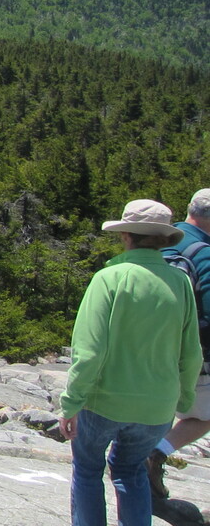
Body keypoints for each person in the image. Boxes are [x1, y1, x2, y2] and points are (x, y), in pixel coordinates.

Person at [59, 199, 200, 526]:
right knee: (130, 470)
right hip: (158, 406)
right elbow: (191, 351)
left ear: (126, 235)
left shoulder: (109, 278)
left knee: (88, 470)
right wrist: (184, 399)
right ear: (163, 239)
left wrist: (71, 403)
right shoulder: (180, 282)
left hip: (103, 401)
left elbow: (89, 351)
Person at [147, 188, 210, 499]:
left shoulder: (160, 244)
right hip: (191, 353)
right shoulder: (203, 252)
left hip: (147, 346)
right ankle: (157, 452)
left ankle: (135, 457)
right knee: (203, 416)